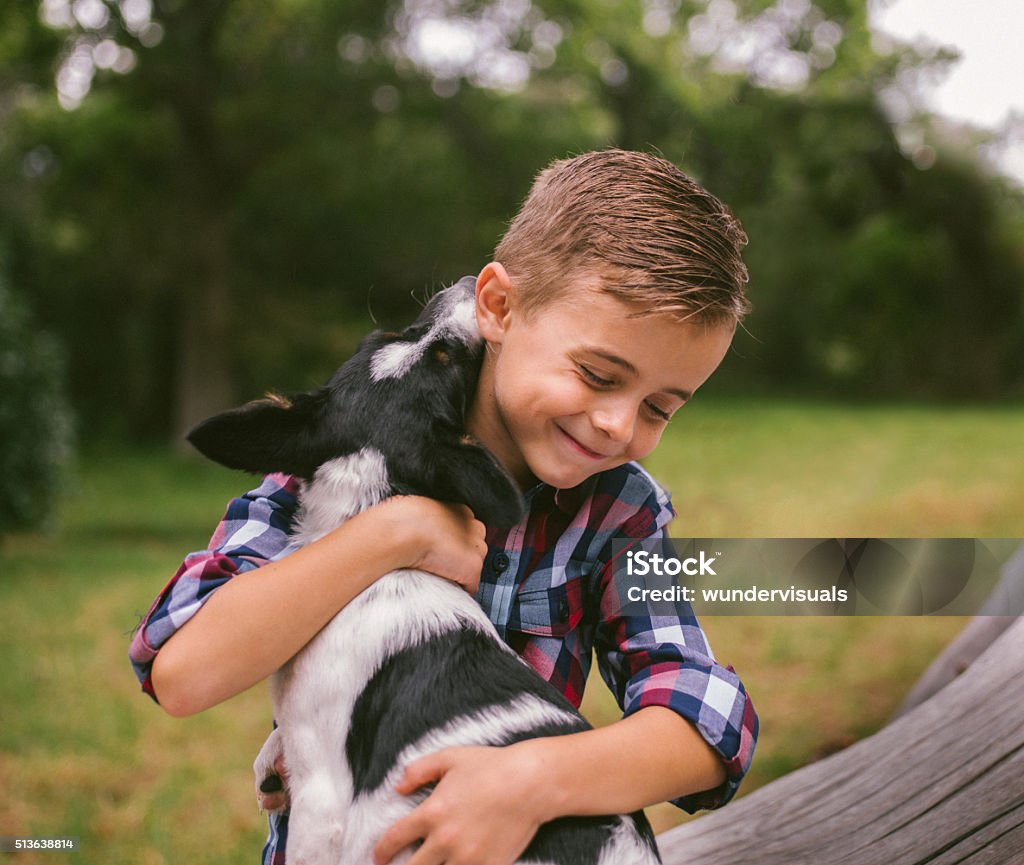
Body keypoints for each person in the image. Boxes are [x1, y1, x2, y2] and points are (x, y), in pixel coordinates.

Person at [130, 149, 759, 865]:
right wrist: (395, 532)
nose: (619, 424)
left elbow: (711, 724)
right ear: (498, 305)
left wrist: (529, 779)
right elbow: (183, 672)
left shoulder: (615, 511)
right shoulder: (341, 461)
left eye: (658, 407)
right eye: (597, 374)